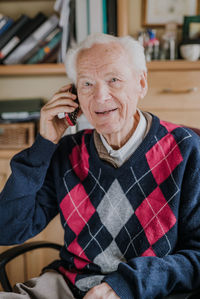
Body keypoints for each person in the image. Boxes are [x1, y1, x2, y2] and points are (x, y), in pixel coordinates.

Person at [0, 33, 200, 299]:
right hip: (70, 288)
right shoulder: (67, 152)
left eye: (114, 80)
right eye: (87, 84)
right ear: (74, 96)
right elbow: (9, 228)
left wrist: (125, 285)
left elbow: (197, 256)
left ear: (141, 84)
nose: (100, 96)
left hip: (148, 291)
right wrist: (44, 144)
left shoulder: (186, 149)